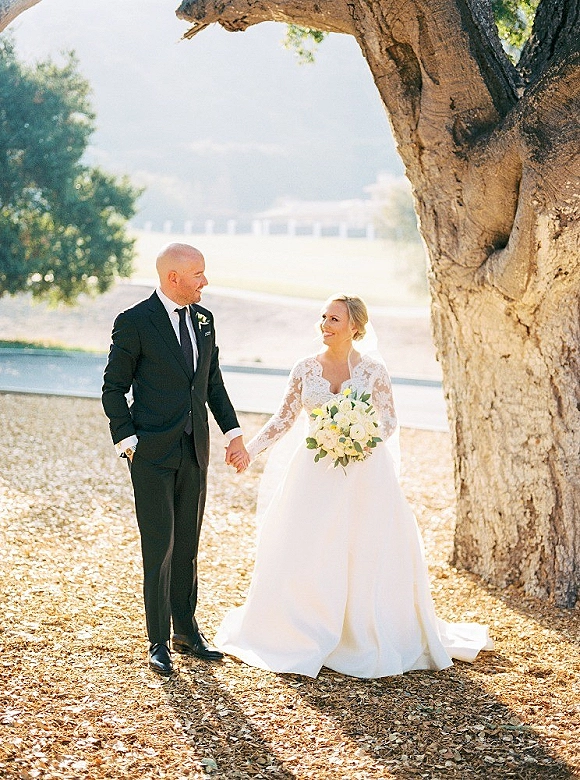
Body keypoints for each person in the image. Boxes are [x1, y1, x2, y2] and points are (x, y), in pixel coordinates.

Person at [220, 294, 493, 678]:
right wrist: (250, 450)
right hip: (314, 471)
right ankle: (305, 625)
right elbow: (283, 418)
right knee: (308, 543)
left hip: (364, 472)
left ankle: (359, 629)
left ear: (355, 327)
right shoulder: (304, 368)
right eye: (323, 317)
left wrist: (359, 437)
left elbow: (389, 420)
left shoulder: (373, 371)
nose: (325, 324)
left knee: (360, 545)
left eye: (334, 319)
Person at [102, 242, 249, 676]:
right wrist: (128, 441)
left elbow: (212, 383)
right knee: (159, 546)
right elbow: (113, 388)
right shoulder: (134, 322)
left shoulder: (205, 320)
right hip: (151, 453)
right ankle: (158, 641)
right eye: (198, 274)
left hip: (194, 450)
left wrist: (234, 434)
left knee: (187, 544)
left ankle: (186, 631)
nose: (205, 281)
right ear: (173, 278)